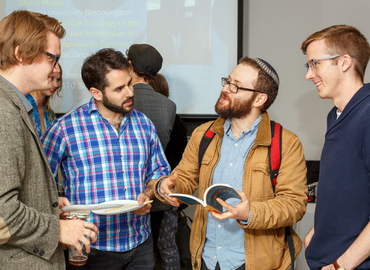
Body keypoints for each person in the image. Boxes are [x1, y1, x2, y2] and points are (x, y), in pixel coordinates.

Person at [154, 57, 308, 270]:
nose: (226, 89)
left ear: (259, 99)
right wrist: (168, 186)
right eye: (227, 81)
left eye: (236, 86)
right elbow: (184, 179)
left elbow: (294, 205)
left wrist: (250, 213)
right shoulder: (203, 134)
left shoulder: (286, 143)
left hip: (255, 263)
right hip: (206, 258)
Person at [41, 48, 170, 270]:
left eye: (129, 83)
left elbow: (158, 171)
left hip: (140, 244)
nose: (130, 92)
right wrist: (60, 217)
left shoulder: (144, 124)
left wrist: (149, 194)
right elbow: (40, 182)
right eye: (119, 88)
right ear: (97, 93)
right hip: (91, 248)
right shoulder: (65, 128)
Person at [0, 10, 98, 270]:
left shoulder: (16, 106)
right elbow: (2, 215)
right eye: (52, 59)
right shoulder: (4, 111)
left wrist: (47, 202)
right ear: (21, 54)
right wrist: (59, 230)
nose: (57, 69)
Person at [301, 25, 370, 270]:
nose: (309, 75)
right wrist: (317, 231)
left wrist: (341, 265)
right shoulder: (336, 115)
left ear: (344, 62)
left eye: (315, 64)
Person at [126, 44, 177, 261]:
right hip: (156, 190)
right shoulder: (169, 105)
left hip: (126, 196)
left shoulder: (122, 100)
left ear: (129, 65)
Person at [149, 73, 188, 270]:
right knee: (169, 250)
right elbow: (183, 159)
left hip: (147, 196)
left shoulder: (138, 120)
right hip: (169, 194)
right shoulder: (176, 121)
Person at [26, 63, 62, 137]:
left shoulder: (49, 113)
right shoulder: (24, 105)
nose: (56, 85)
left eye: (58, 79)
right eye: (51, 78)